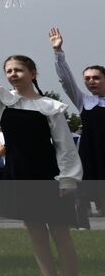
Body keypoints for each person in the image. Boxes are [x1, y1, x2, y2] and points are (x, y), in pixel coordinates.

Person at [0, 18, 81, 276]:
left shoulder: (50, 106)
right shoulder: (4, 100)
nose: (13, 74)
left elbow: (65, 145)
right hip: (21, 174)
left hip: (49, 174)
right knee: (37, 234)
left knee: (60, 234)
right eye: (9, 71)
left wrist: (68, 179)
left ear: (33, 73)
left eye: (18, 70)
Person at [50, 28, 104, 215]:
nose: (91, 82)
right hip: (92, 153)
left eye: (96, 78)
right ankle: (83, 226)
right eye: (87, 79)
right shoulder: (84, 101)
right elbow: (66, 81)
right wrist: (58, 53)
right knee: (88, 194)